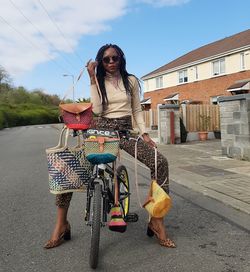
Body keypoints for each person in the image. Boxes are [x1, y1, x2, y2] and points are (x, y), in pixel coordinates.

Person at [44, 44, 176, 249]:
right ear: (101, 62)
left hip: (124, 132)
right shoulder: (98, 80)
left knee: (159, 162)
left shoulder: (130, 80)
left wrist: (144, 134)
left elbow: (137, 110)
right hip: (100, 131)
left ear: (121, 59)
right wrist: (91, 78)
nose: (111, 62)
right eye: (106, 59)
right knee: (68, 166)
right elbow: (96, 109)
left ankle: (156, 219)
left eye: (115, 58)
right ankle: (62, 224)